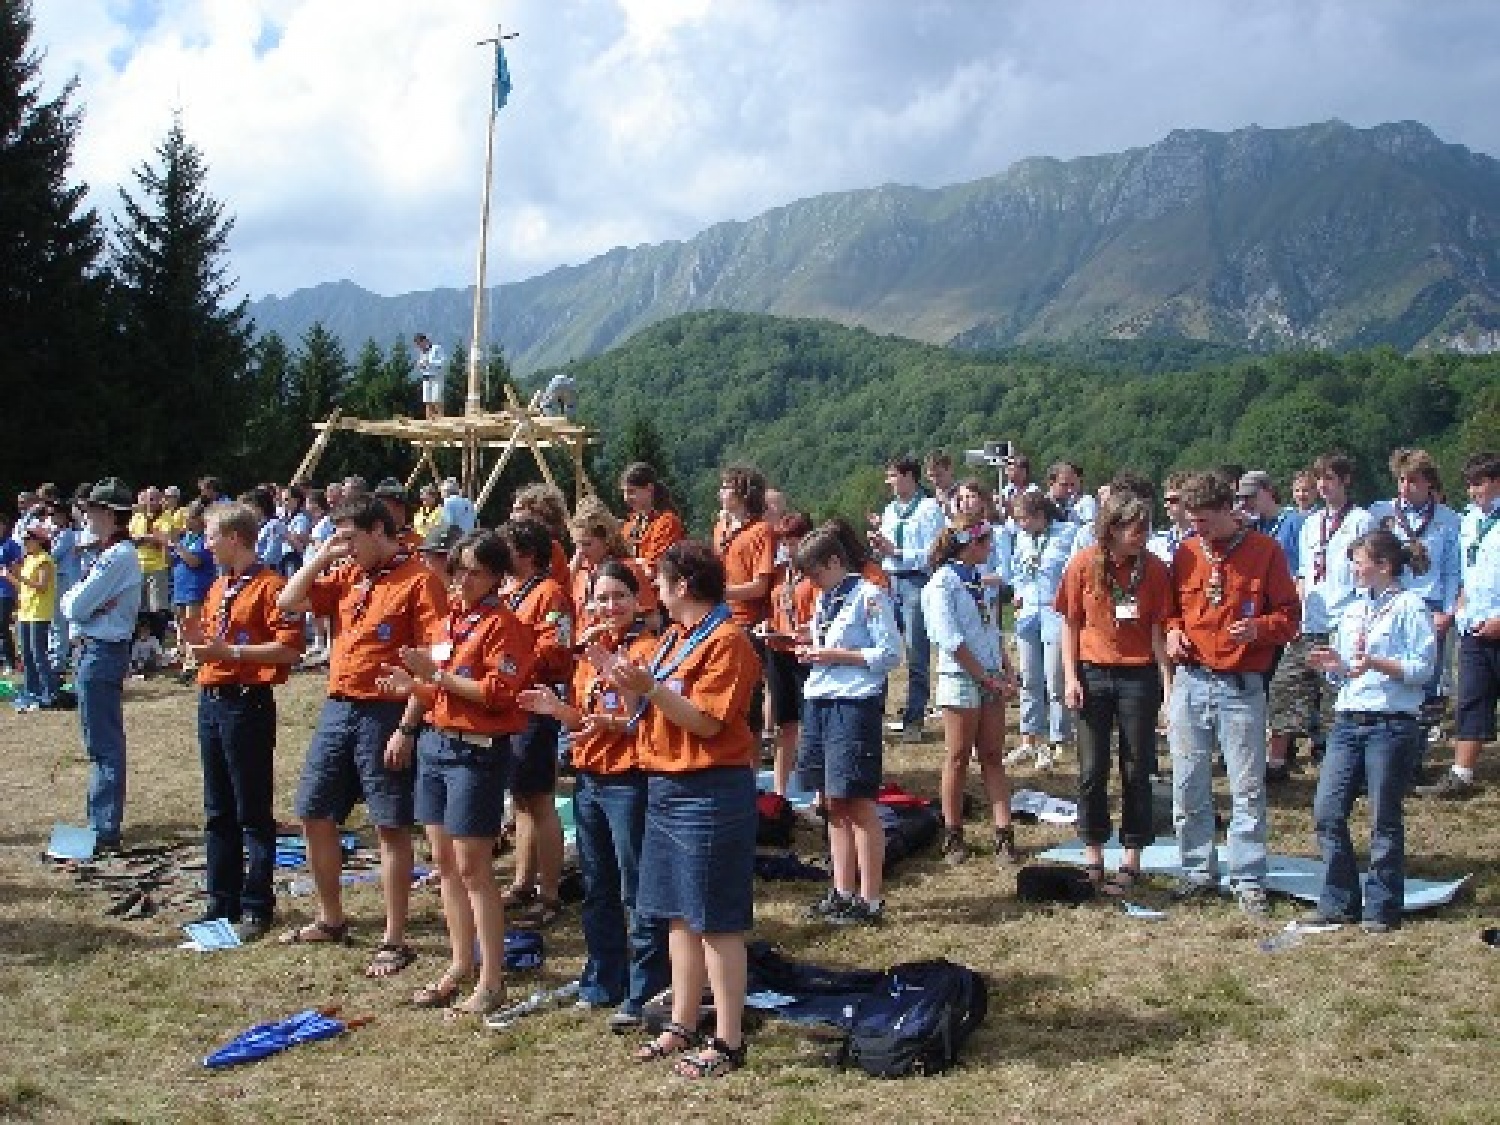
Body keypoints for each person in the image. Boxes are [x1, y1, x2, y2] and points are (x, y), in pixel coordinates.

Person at [604, 541, 760, 1079]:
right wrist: (625, 684)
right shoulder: (672, 638)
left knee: (715, 919)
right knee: (676, 913)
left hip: (711, 789)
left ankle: (729, 1038)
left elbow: (708, 723)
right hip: (665, 786)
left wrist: (648, 686)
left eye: (661, 582)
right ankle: (682, 1021)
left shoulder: (727, 641)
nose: (655, 592)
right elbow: (639, 714)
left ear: (683, 586)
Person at [276, 495, 448, 976]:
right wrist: (321, 558)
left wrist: (409, 726)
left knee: (389, 825)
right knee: (313, 811)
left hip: (386, 712)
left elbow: (434, 661)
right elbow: (287, 601)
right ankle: (331, 918)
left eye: (351, 538)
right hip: (340, 707)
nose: (344, 547)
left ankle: (396, 938)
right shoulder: (350, 574)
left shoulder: (419, 581)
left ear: (379, 530)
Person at [378, 529, 535, 1017]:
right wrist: (415, 686)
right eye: (458, 569)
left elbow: (496, 692)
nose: (463, 579)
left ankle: (492, 979)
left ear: (494, 577)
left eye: (475, 572)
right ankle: (460, 962)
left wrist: (436, 676)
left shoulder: (502, 625)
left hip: (477, 754)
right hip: (437, 747)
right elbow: (444, 694)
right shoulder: (450, 622)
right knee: (445, 862)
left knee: (473, 868)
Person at [518, 560, 669, 1030]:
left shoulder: (649, 649)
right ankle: (603, 978)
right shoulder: (588, 655)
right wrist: (557, 709)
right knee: (596, 884)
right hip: (590, 780)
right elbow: (587, 719)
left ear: (639, 599)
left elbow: (639, 720)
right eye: (601, 599)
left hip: (629, 781)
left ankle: (647, 989)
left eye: (619, 597)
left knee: (635, 887)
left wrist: (615, 683)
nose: (610, 607)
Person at [1163, 472, 1300, 917]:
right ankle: (1197, 870)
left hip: (1241, 685)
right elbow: (1169, 613)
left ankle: (1248, 877)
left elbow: (1290, 617)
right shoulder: (1184, 553)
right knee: (1187, 782)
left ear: (1228, 511)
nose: (1196, 528)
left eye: (1203, 520)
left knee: (1246, 786)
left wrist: (1260, 628)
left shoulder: (1265, 552)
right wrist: (1171, 633)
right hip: (1192, 681)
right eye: (1191, 520)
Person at [183, 502, 304, 942]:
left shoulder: (273, 587)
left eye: (212, 535)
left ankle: (256, 903)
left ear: (235, 538)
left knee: (252, 809)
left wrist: (230, 655)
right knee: (218, 809)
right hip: (212, 700)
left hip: (246, 702)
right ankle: (221, 899)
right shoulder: (220, 586)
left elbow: (290, 650)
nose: (206, 543)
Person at [1304, 529, 1435, 932]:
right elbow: (1347, 670)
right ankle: (1339, 899)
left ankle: (1381, 906)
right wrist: (1333, 667)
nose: (1354, 569)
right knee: (1327, 811)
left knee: (1383, 818)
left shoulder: (1411, 607)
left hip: (1391, 723)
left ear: (1383, 565)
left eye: (1360, 561)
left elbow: (1423, 670)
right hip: (1349, 719)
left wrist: (1379, 664)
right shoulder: (1353, 609)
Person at [1056, 492, 1173, 893]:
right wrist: (1070, 678)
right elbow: (1070, 624)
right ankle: (1092, 854)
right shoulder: (1083, 565)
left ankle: (1132, 855)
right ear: (1112, 529)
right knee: (1091, 769)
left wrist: (1168, 687)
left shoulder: (1155, 570)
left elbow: (1159, 631)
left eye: (1147, 528)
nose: (1142, 536)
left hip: (1138, 677)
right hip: (1092, 673)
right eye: (1134, 528)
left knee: (1138, 768)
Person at [794, 526, 902, 923]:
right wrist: (809, 646)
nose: (812, 583)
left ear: (836, 562)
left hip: (854, 703)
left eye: (816, 574)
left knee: (857, 801)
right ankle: (841, 890)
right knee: (832, 802)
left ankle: (870, 899)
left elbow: (890, 653)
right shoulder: (825, 600)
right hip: (820, 698)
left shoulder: (870, 596)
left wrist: (835, 654)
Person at [1268, 454, 1374, 781]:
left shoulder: (1361, 521)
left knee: (1335, 696)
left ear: (1345, 481)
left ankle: (1338, 763)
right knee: (1284, 685)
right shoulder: (1311, 523)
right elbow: (1302, 574)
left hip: (1343, 620)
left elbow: (1364, 578)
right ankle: (1277, 761)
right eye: (1319, 480)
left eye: (1329, 479)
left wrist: (1360, 623)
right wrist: (1296, 616)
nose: (1323, 486)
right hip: (1310, 620)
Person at [921, 516, 1021, 866]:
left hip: (989, 673)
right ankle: (953, 833)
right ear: (969, 545)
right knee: (958, 755)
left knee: (993, 755)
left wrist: (1006, 667)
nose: (991, 548)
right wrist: (983, 676)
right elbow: (950, 640)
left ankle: (1004, 832)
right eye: (986, 542)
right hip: (960, 677)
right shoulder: (941, 585)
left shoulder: (978, 581)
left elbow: (991, 629)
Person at [496, 518, 575, 928]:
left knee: (540, 799)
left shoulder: (551, 594)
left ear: (525, 554)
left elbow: (557, 651)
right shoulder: (512, 591)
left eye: (506, 547)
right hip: (512, 705)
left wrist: (510, 661)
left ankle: (549, 892)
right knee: (522, 797)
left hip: (537, 704)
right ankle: (523, 881)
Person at [59, 478, 143, 852]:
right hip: (94, 648)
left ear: (108, 514)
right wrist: (83, 609)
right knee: (98, 740)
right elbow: (72, 606)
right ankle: (100, 820)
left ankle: (104, 826)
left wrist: (83, 610)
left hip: (102, 650)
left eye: (91, 508)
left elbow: (75, 607)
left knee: (103, 743)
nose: (85, 514)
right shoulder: (107, 552)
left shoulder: (117, 556)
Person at [1417, 452, 1500, 799]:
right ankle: (1461, 775)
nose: (1471, 491)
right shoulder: (1468, 522)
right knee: (1471, 699)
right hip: (1474, 627)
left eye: (1478, 483)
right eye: (1467, 484)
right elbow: (1465, 569)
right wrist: (1461, 603)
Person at [1366, 449, 1462, 750]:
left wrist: (1447, 613)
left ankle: (1416, 754)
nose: (1405, 488)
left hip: (1430, 606)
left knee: (1426, 680)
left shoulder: (1448, 519)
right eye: (1401, 480)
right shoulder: (1381, 514)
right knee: (1389, 675)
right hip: (1391, 603)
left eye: (1413, 481)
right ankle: (1388, 750)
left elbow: (1452, 570)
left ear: (1429, 482)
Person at [867, 455, 945, 742]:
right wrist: (879, 546)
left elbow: (934, 552)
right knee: (882, 645)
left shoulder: (928, 509)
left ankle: (915, 717)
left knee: (916, 652)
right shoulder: (889, 510)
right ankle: (879, 711)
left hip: (915, 580)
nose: (888, 481)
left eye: (892, 475)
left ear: (908, 476)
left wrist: (898, 552)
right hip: (890, 581)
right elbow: (887, 549)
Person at [1006, 491, 1075, 769]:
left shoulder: (1068, 533)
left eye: (1024, 519)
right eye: (1018, 519)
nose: (1020, 524)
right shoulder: (1022, 538)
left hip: (1055, 612)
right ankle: (1029, 737)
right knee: (1030, 678)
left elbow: (1072, 571)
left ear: (1040, 515)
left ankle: (1060, 738)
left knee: (1055, 677)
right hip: (1028, 613)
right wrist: (1018, 592)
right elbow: (1017, 571)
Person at [713, 465, 777, 725]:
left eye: (727, 487)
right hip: (721, 618)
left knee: (749, 698)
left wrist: (719, 592)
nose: (721, 492)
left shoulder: (761, 531)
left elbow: (760, 586)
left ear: (742, 493)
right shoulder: (721, 528)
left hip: (748, 622)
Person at [760, 512, 814, 795]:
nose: (789, 547)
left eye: (795, 541)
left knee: (811, 725)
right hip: (779, 651)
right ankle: (780, 793)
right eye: (785, 541)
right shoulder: (780, 573)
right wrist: (769, 626)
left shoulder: (816, 575)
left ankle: (818, 793)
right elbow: (774, 608)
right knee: (784, 724)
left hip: (806, 653)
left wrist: (806, 630)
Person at [13, 525, 60, 711]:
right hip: (26, 611)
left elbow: (41, 586)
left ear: (39, 541)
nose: (25, 543)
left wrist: (20, 578)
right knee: (27, 655)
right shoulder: (28, 559)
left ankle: (50, 692)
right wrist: (11, 577)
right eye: (24, 540)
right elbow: (24, 587)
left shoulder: (44, 559)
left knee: (38, 653)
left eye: (28, 539)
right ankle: (32, 690)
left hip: (39, 613)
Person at [168, 501, 215, 678]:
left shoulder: (205, 539)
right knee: (181, 628)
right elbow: (173, 560)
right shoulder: (186, 538)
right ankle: (184, 661)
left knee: (193, 626)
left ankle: (194, 664)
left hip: (196, 588)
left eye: (189, 517)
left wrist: (177, 546)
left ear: (199, 519)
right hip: (180, 588)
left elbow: (194, 561)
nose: (186, 521)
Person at [619, 462, 685, 586]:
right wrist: (638, 562)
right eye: (624, 492)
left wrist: (630, 564)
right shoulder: (629, 525)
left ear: (649, 489)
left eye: (631, 492)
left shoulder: (667, 522)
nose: (626, 498)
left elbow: (653, 570)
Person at [128, 486, 173, 645]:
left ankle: (157, 646)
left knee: (158, 609)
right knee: (139, 609)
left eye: (155, 498)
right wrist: (151, 538)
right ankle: (139, 646)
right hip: (138, 566)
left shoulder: (166, 517)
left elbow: (164, 540)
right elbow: (131, 539)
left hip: (157, 567)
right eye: (150, 498)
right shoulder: (137, 517)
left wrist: (145, 538)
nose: (152, 502)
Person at [1237, 470, 1303, 572]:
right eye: (1243, 498)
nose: (1247, 502)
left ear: (1269, 491)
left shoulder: (1295, 522)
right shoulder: (1251, 527)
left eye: (1252, 496)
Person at [1147, 472, 1196, 563]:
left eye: (1173, 500)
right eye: (1166, 500)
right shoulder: (1154, 542)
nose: (1166, 505)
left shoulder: (1205, 541)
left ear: (1190, 500)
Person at [1046, 460, 1096, 527]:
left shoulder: (1085, 503)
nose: (1070, 490)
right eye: (1064, 485)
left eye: (1073, 485)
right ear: (1051, 483)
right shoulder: (1039, 506)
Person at [416, 333, 446, 420]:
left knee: (436, 400)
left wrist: (429, 363)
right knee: (427, 401)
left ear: (424, 341)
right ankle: (429, 419)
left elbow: (443, 362)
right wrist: (421, 366)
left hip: (436, 377)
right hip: (426, 377)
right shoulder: (422, 352)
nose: (419, 347)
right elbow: (423, 365)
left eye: (419, 344)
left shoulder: (436, 348)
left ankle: (440, 419)